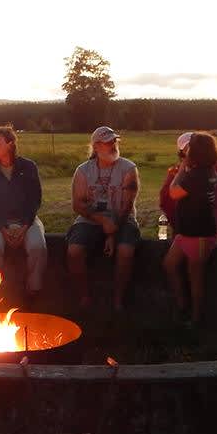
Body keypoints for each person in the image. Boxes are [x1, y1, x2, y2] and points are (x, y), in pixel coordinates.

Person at [66, 126, 141, 311]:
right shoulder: (83, 171)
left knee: (125, 251)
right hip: (91, 219)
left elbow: (126, 206)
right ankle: (84, 297)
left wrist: (112, 233)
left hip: (121, 218)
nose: (113, 145)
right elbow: (78, 205)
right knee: (74, 251)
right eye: (108, 142)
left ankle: (118, 300)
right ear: (96, 146)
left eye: (114, 141)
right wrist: (102, 221)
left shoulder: (128, 168)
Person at [0, 125, 47, 303]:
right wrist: (3, 229)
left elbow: (35, 200)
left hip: (26, 220)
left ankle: (33, 289)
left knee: (37, 245)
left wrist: (24, 226)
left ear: (10, 144)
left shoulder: (28, 167)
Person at [161, 132, 217, 325]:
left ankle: (195, 317)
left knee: (195, 277)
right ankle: (182, 304)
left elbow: (173, 193)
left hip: (199, 234)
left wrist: (181, 169)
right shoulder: (210, 171)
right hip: (188, 231)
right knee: (170, 264)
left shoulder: (196, 175)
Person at [159, 131, 217, 236]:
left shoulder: (194, 174)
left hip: (196, 231)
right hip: (204, 227)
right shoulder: (214, 169)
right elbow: (165, 199)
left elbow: (172, 193)